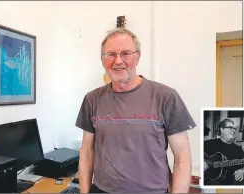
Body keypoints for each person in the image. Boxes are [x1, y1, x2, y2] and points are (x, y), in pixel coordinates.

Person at [75, 28, 196, 193]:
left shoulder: (166, 97)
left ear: (137, 57)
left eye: (126, 53)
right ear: (102, 60)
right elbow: (87, 152)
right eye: (110, 54)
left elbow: (182, 157)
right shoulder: (92, 99)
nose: (118, 61)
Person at [204, 118, 244, 185]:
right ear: (222, 129)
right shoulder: (208, 144)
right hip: (209, 181)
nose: (233, 130)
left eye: (234, 129)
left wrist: (243, 171)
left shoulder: (238, 149)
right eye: (230, 128)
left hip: (230, 183)